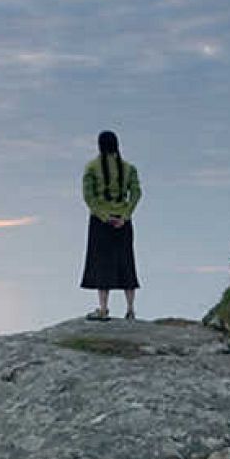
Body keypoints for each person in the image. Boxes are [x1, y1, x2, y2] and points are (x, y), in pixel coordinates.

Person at [80, 130, 142, 320]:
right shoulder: (129, 168)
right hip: (123, 221)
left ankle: (104, 309)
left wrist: (104, 216)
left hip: (101, 222)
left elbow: (88, 197)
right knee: (126, 262)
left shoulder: (91, 167)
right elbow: (136, 193)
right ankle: (130, 309)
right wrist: (125, 215)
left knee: (101, 264)